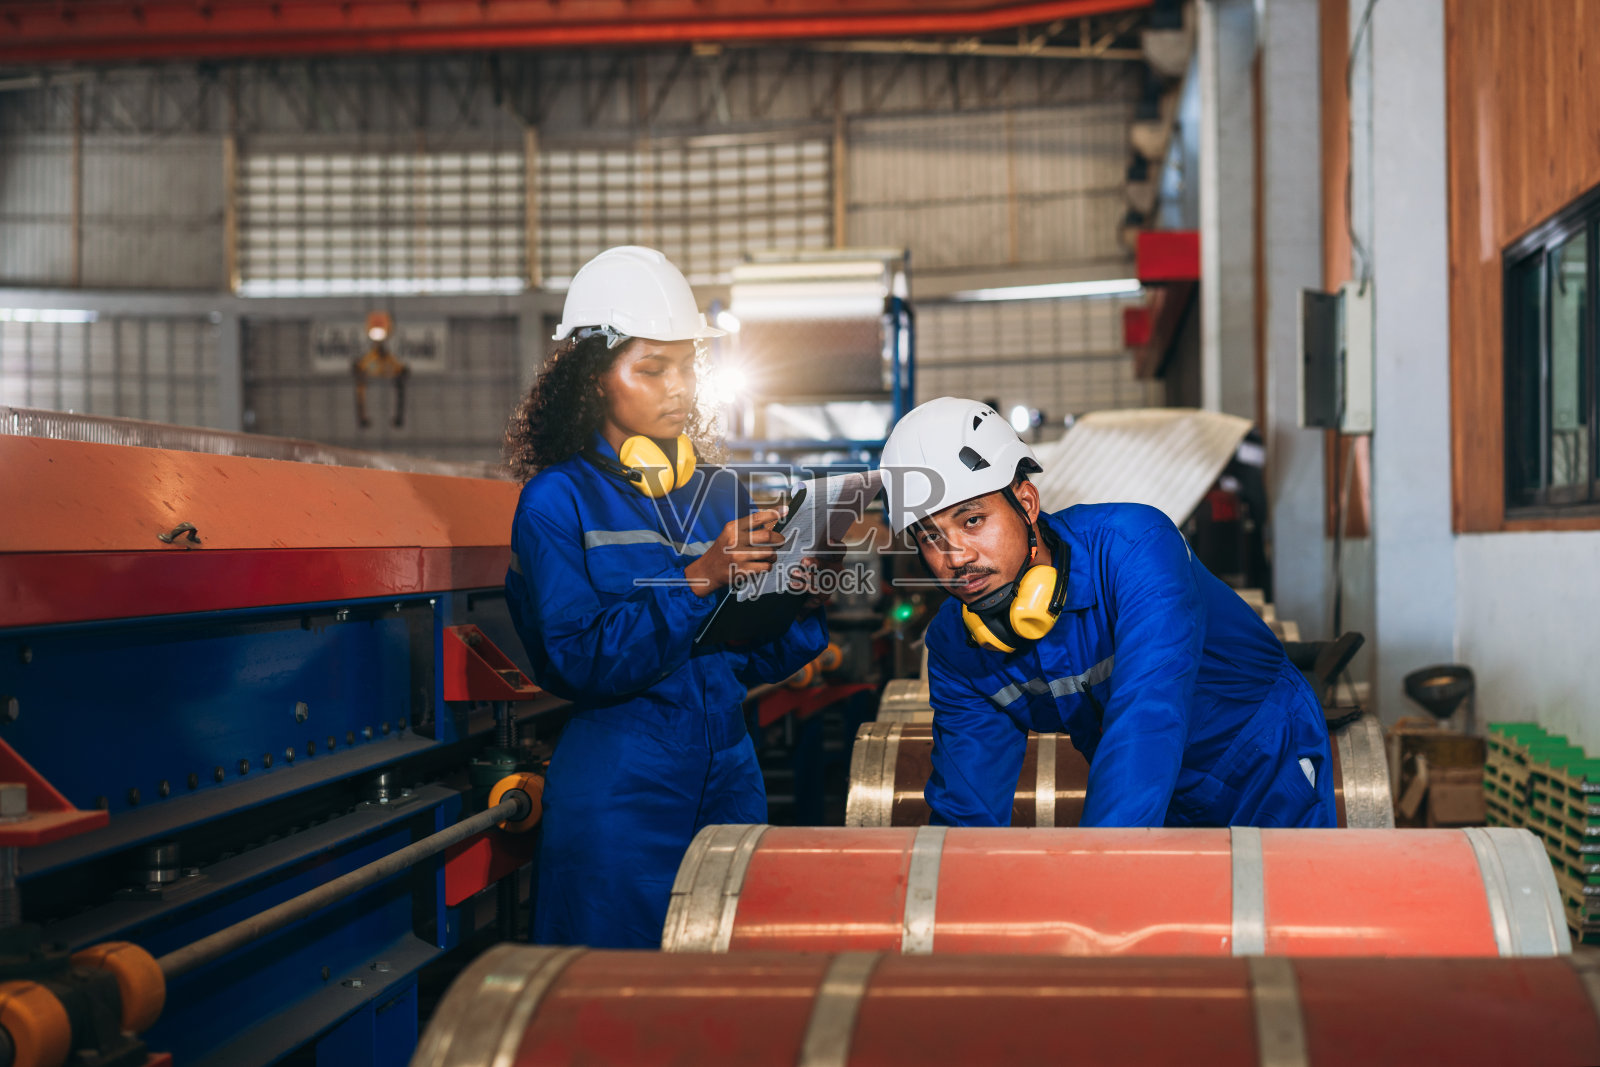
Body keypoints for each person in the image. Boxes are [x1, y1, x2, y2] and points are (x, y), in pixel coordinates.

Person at [503, 246, 829, 947]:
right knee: (614, 986)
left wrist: (796, 601)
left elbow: (744, 659)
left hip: (730, 770)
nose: (678, 388)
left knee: (728, 973)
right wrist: (701, 577)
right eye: (652, 369)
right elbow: (576, 657)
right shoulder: (556, 502)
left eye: (686, 366)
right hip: (622, 788)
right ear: (594, 379)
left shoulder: (717, 493)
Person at [878, 396, 1335, 828]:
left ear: (1026, 503)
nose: (955, 556)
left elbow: (1147, 715)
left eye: (972, 520)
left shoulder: (1135, 551)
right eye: (930, 536)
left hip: (1264, 768)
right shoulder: (957, 646)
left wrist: (1102, 861)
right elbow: (968, 809)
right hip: (1156, 800)